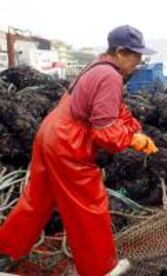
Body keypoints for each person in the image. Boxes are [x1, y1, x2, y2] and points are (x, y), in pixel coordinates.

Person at [0, 25, 158, 275]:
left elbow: (113, 109)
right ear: (120, 51)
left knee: (36, 201)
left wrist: (133, 127)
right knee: (88, 206)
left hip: (49, 134)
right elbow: (104, 130)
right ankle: (100, 269)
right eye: (136, 56)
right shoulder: (111, 76)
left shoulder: (97, 67)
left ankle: (6, 254)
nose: (138, 62)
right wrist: (132, 139)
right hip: (68, 143)